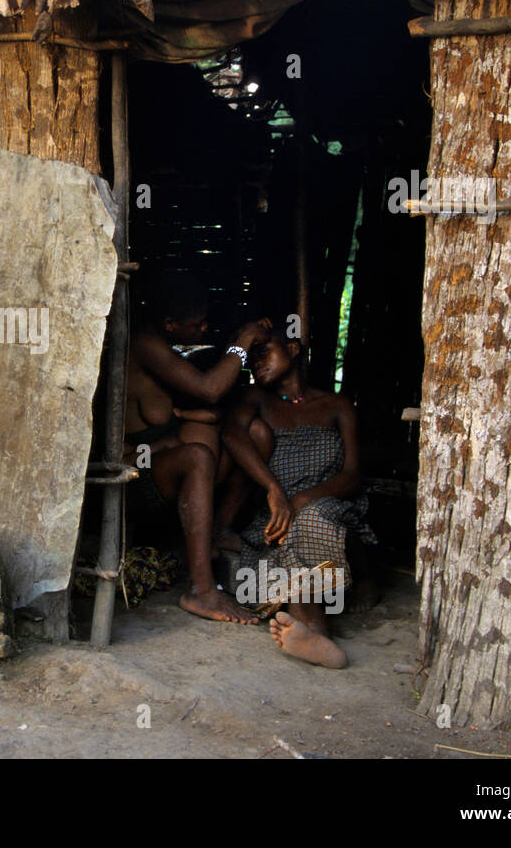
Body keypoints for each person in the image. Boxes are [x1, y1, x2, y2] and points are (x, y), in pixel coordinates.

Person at [222, 328, 375, 668]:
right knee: (285, 544)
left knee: (312, 520)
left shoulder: (336, 405)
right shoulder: (257, 401)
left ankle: (360, 582)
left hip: (331, 508)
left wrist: (305, 498)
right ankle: (316, 634)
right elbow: (233, 433)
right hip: (279, 516)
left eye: (264, 351)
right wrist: (275, 491)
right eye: (252, 357)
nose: (256, 363)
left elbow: (352, 475)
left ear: (292, 348)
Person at [124, 274, 272, 624]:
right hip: (136, 481)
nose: (204, 329)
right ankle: (202, 591)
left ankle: (218, 528)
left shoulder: (166, 345)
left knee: (256, 432)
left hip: (163, 467)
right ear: (169, 324)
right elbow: (210, 389)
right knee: (197, 455)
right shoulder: (144, 344)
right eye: (196, 324)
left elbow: (206, 401)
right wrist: (243, 341)